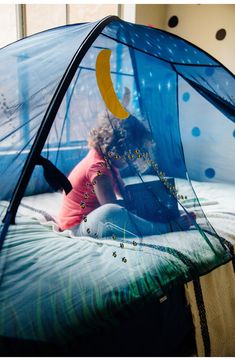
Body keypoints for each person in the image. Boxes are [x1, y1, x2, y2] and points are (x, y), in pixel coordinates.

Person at [58, 109, 195, 240]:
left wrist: (158, 207)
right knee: (113, 212)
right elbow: (110, 207)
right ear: (115, 147)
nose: (131, 161)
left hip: (91, 218)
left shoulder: (107, 162)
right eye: (129, 156)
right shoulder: (98, 168)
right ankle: (166, 228)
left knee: (139, 202)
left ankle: (165, 218)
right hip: (77, 226)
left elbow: (125, 194)